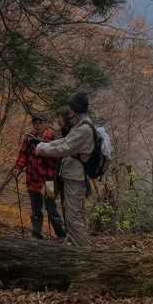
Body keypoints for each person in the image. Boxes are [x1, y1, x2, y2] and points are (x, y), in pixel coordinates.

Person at [34, 90, 95, 248]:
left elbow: (64, 147)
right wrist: (42, 145)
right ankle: (69, 240)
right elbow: (64, 143)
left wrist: (42, 148)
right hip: (58, 177)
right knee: (59, 207)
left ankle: (80, 248)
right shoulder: (77, 127)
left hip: (65, 177)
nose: (60, 120)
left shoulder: (81, 129)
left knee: (70, 214)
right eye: (35, 123)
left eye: (39, 122)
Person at [14, 113, 66, 240]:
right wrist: (18, 168)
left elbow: (57, 157)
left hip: (49, 180)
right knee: (35, 209)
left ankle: (61, 234)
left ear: (46, 123)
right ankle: (36, 233)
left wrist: (42, 144)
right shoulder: (29, 138)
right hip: (32, 178)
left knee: (51, 208)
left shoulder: (52, 137)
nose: (37, 125)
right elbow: (23, 154)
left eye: (40, 122)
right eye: (35, 123)